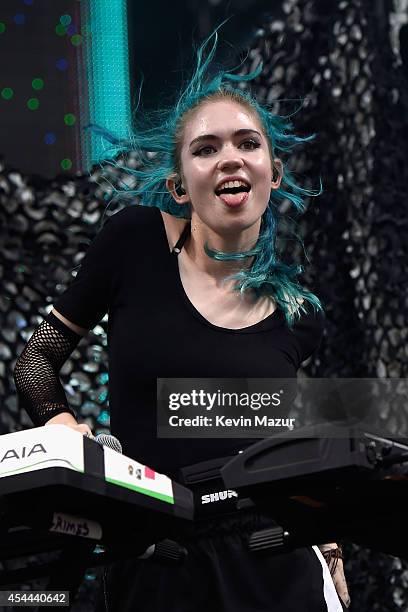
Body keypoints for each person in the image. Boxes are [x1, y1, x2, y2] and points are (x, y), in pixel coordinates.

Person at [13, 30, 350, 612]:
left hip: (279, 560)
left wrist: (329, 540)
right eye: (205, 148)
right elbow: (34, 362)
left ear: (273, 171)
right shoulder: (136, 242)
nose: (229, 158)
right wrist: (61, 425)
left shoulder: (299, 315)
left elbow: (286, 444)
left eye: (248, 143)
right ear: (179, 183)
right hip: (157, 557)